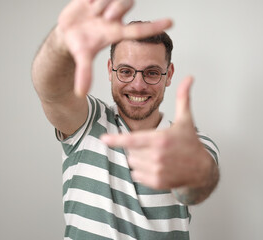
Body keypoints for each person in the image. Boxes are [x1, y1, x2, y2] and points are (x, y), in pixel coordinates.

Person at [31, 0, 220, 239]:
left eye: (151, 72)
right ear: (110, 70)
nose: (138, 85)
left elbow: (197, 184)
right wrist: (60, 43)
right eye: (126, 71)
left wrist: (190, 171)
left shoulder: (191, 143)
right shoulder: (87, 123)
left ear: (168, 75)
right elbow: (51, 91)